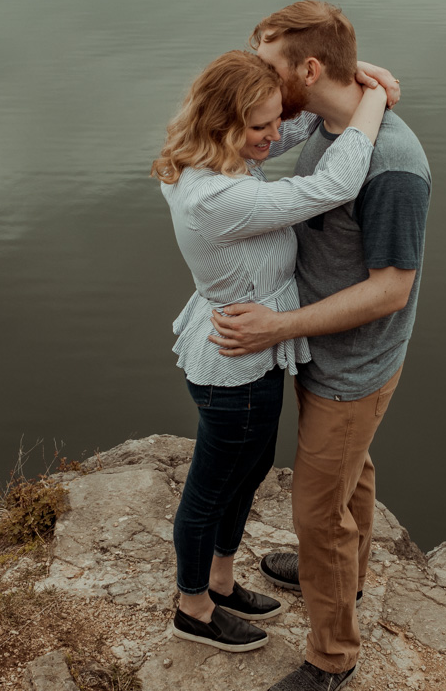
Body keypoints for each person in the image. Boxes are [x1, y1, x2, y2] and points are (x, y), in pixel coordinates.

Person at [208, 0, 432, 691]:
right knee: (350, 477)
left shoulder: (394, 165)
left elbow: (392, 289)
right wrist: (367, 82)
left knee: (315, 514)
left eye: (270, 67)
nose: (258, 80)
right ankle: (350, 577)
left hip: (353, 368)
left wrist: (279, 327)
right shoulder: (332, 123)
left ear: (308, 69)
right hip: (326, 354)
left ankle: (332, 656)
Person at [151, 48, 394, 654]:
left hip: (245, 352)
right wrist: (374, 100)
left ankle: (221, 579)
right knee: (211, 489)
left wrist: (350, 87)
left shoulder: (211, 157)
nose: (274, 135)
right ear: (223, 123)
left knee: (248, 473)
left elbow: (301, 126)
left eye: (272, 120)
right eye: (259, 127)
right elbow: (336, 182)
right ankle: (194, 608)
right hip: (235, 366)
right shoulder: (219, 199)